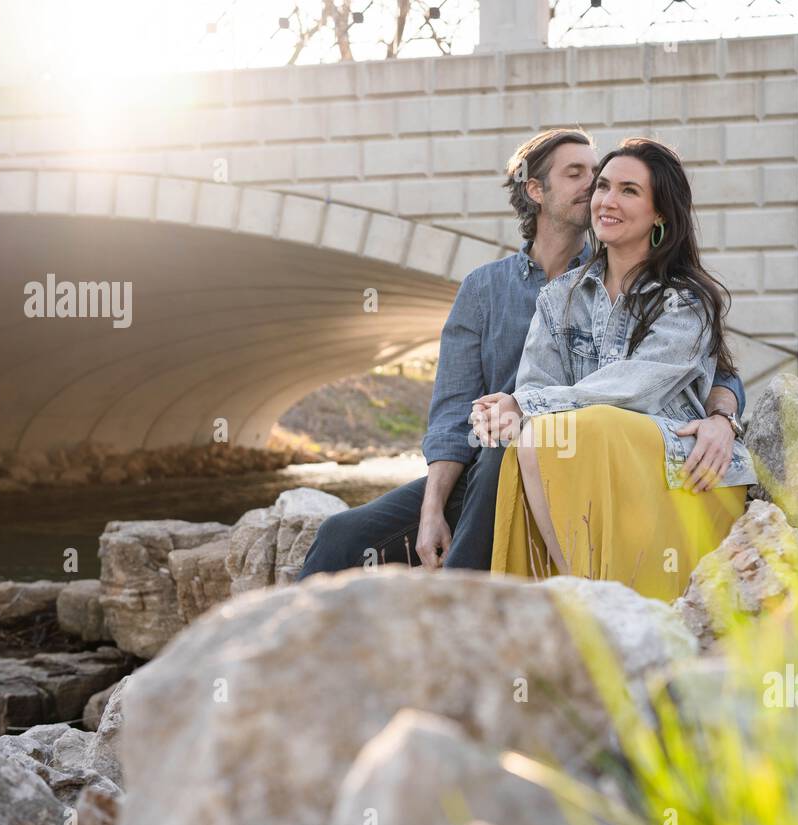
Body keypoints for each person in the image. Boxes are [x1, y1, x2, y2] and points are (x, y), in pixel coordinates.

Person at [296, 128, 746, 579]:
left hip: (559, 458)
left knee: (510, 447)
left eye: (611, 181)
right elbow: (454, 413)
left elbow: (706, 372)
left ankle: (461, 602)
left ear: (658, 212)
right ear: (535, 189)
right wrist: (432, 510)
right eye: (586, 177)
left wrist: (723, 420)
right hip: (497, 464)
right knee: (341, 536)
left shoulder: (677, 295)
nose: (597, 190)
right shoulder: (502, 290)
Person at [474, 138, 757, 601]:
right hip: (590, 460)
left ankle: (593, 602)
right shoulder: (558, 297)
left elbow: (635, 391)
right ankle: (577, 593)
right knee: (534, 438)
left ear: (660, 213)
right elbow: (537, 384)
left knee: (567, 427)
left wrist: (523, 404)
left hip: (679, 468)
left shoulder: (685, 300)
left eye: (629, 191)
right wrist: (510, 407)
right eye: (603, 186)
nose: (607, 200)